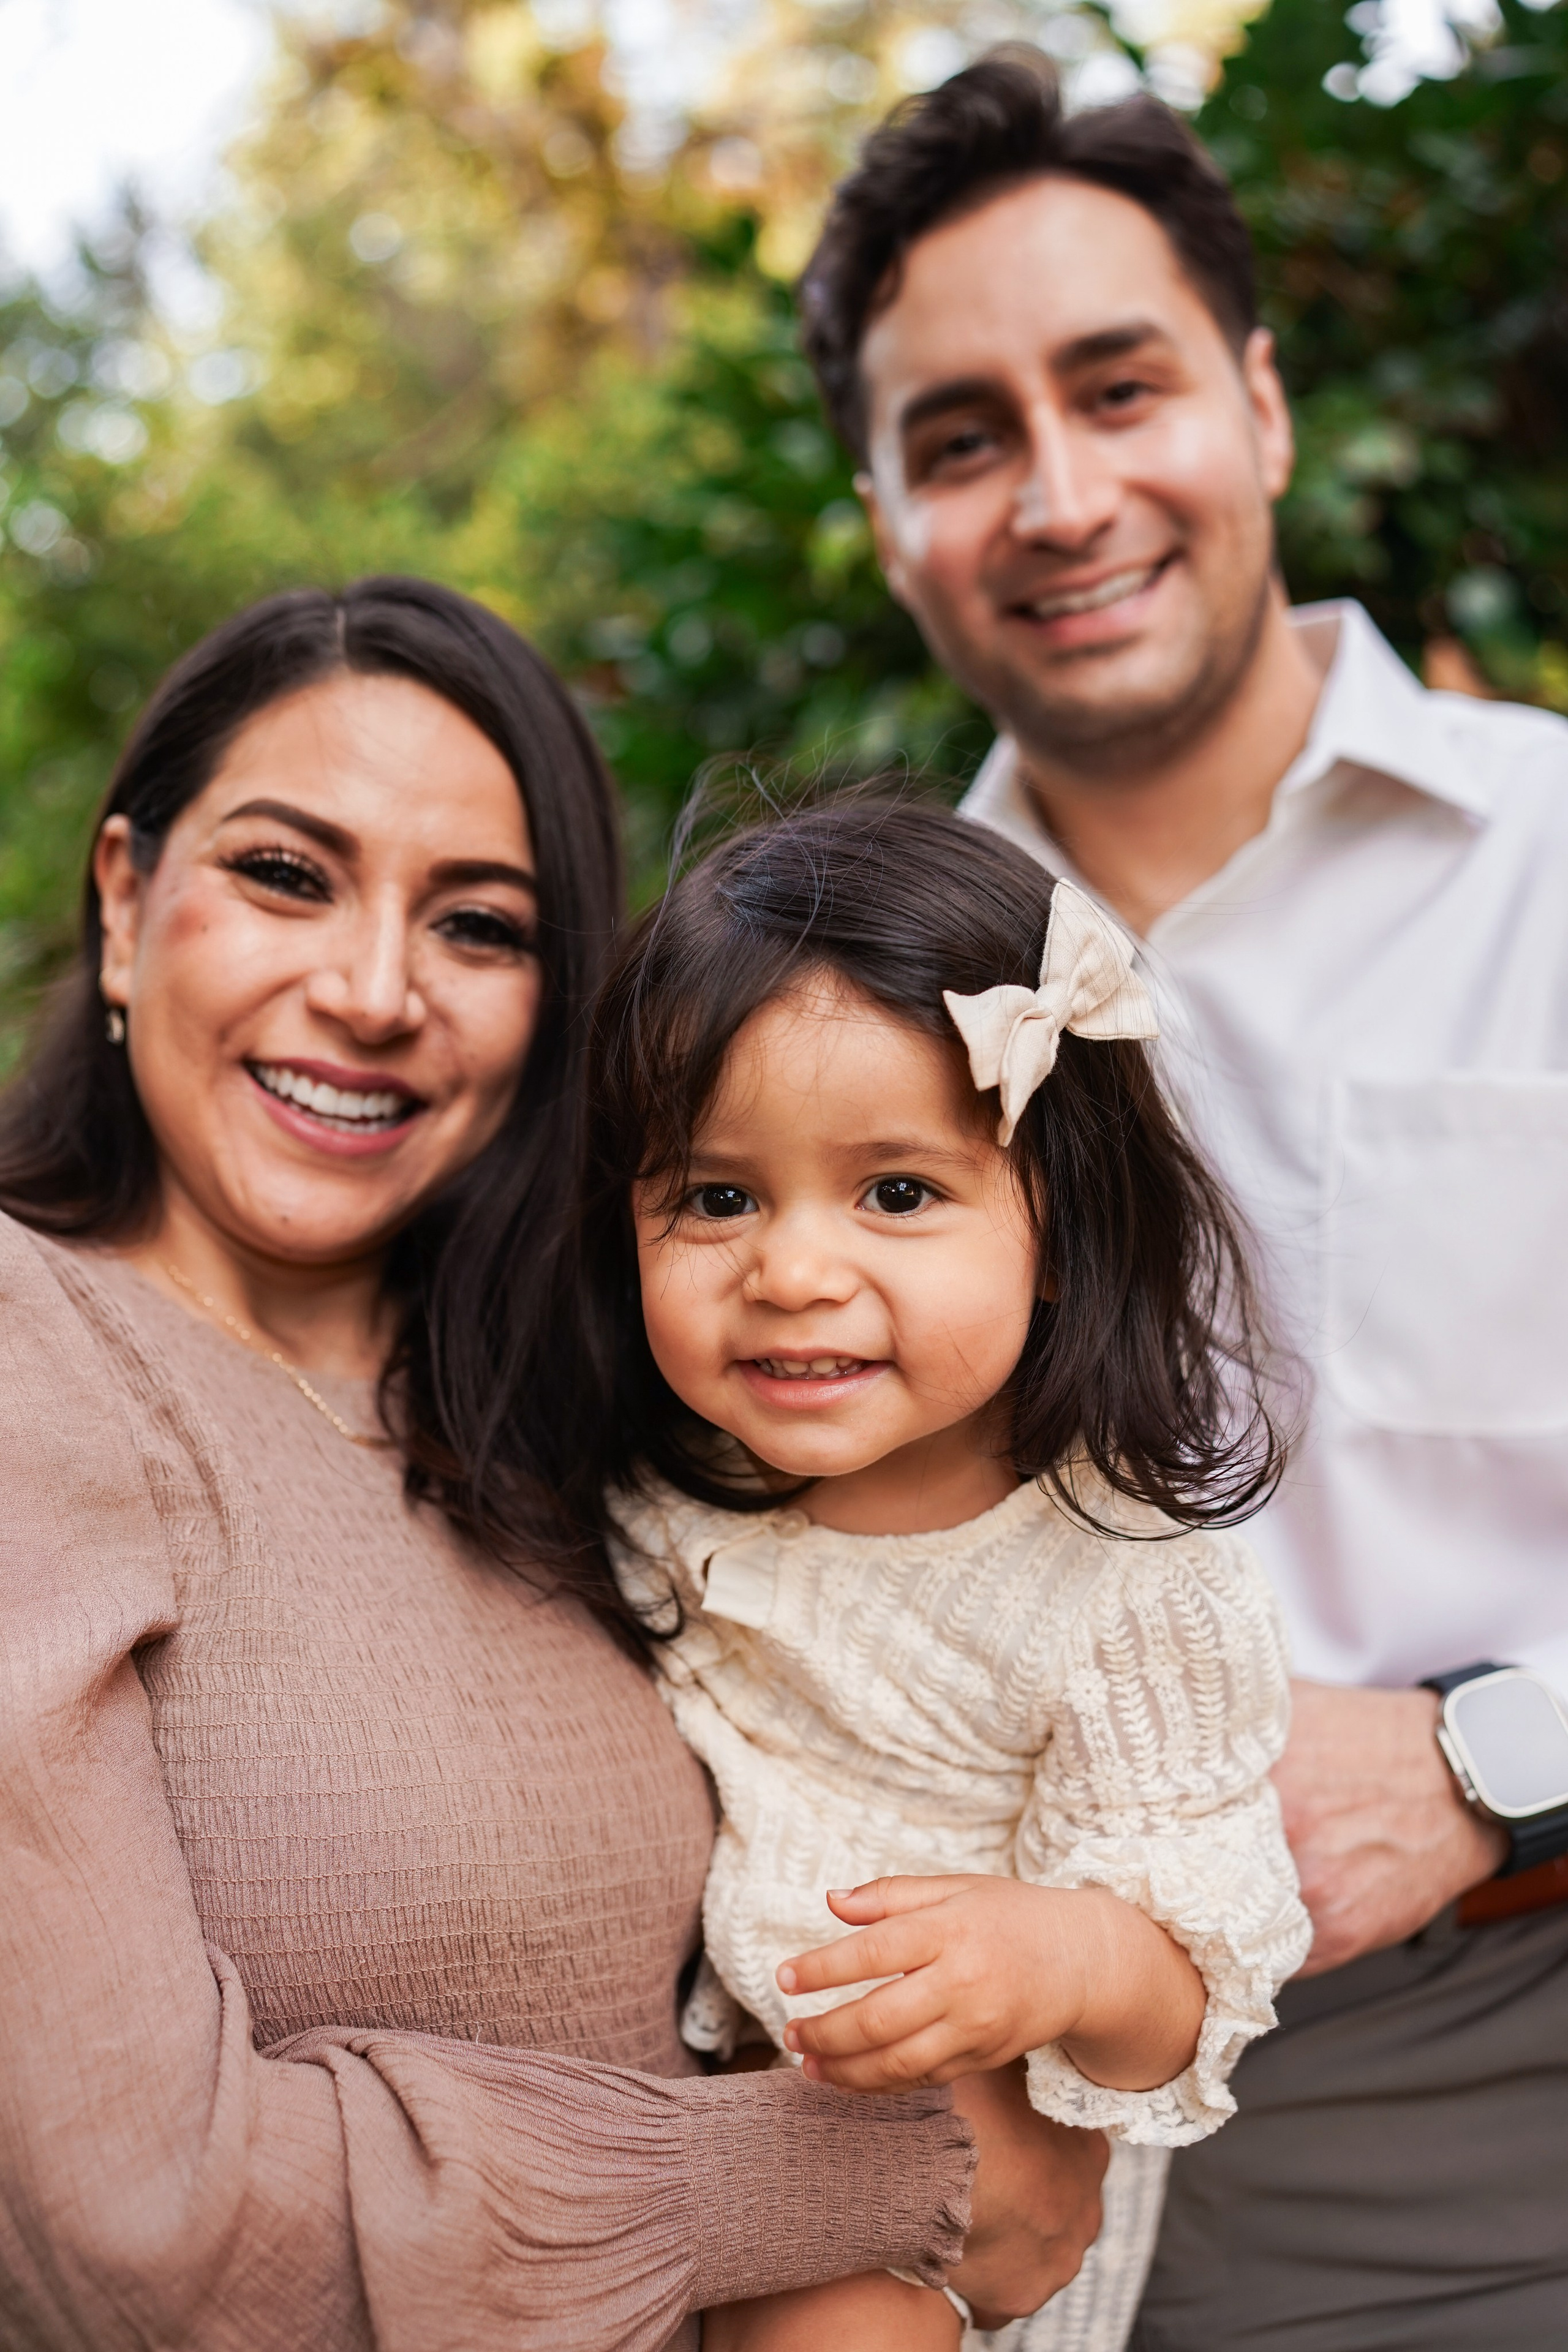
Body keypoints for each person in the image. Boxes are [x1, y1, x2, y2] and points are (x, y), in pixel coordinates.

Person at [0, 576, 1109, 2351]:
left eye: (482, 926)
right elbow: (145, 2230)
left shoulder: (594, 1413)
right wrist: (884, 2175)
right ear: (127, 908)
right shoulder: (30, 1354)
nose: (370, 992)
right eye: (287, 875)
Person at [793, 48, 1568, 2349]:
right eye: (960, 439)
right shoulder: (841, 1031)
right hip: (1058, 2094)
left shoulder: (1559, 866)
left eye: (1118, 388)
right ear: (886, 515)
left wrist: (1481, 1764)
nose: (1058, 494)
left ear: (1261, 407)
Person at [568, 799, 1309, 2350]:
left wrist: (1055, 1958)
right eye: (716, 1197)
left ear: (1065, 1225)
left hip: (953, 2200)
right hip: (713, 2138)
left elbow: (1196, 1965)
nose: (789, 1271)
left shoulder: (1122, 1585)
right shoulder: (660, 1494)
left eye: (896, 1193)